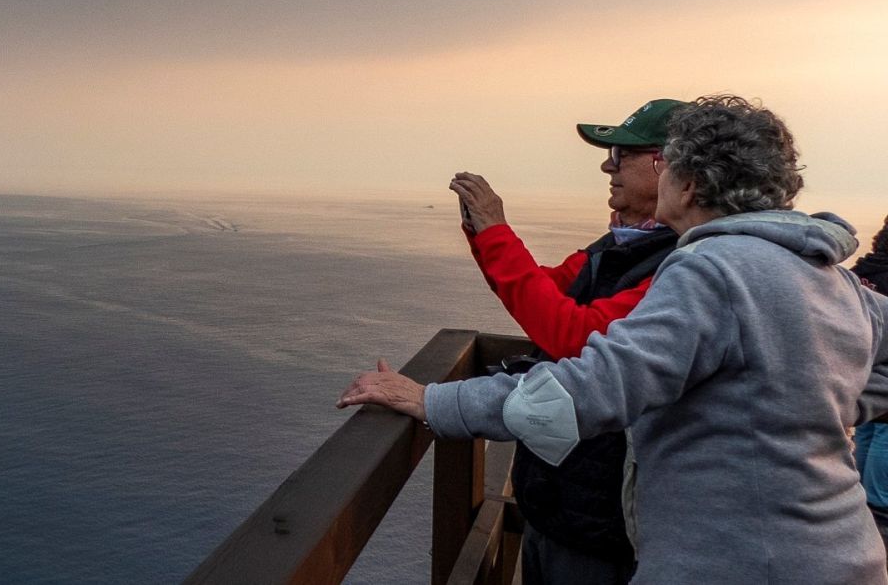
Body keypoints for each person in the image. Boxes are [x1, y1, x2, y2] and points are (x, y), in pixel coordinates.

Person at [340, 96, 888, 585]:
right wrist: (814, 399)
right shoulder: (825, 273)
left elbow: (591, 387)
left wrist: (434, 401)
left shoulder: (711, 270)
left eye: (658, 162)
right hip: (842, 552)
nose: (610, 166)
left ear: (688, 183)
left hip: (736, 562)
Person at [449, 98, 683, 584]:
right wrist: (483, 231)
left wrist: (496, 231)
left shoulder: (681, 268)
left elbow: (573, 335)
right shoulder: (621, 245)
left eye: (621, 155)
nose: (607, 167)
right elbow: (544, 290)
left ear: (666, 163)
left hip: (606, 526)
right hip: (563, 507)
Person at [854, 215, 888, 555]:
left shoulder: (864, 269)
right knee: (885, 434)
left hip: (859, 362)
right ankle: (881, 504)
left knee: (868, 429)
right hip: (884, 364)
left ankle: (866, 494)